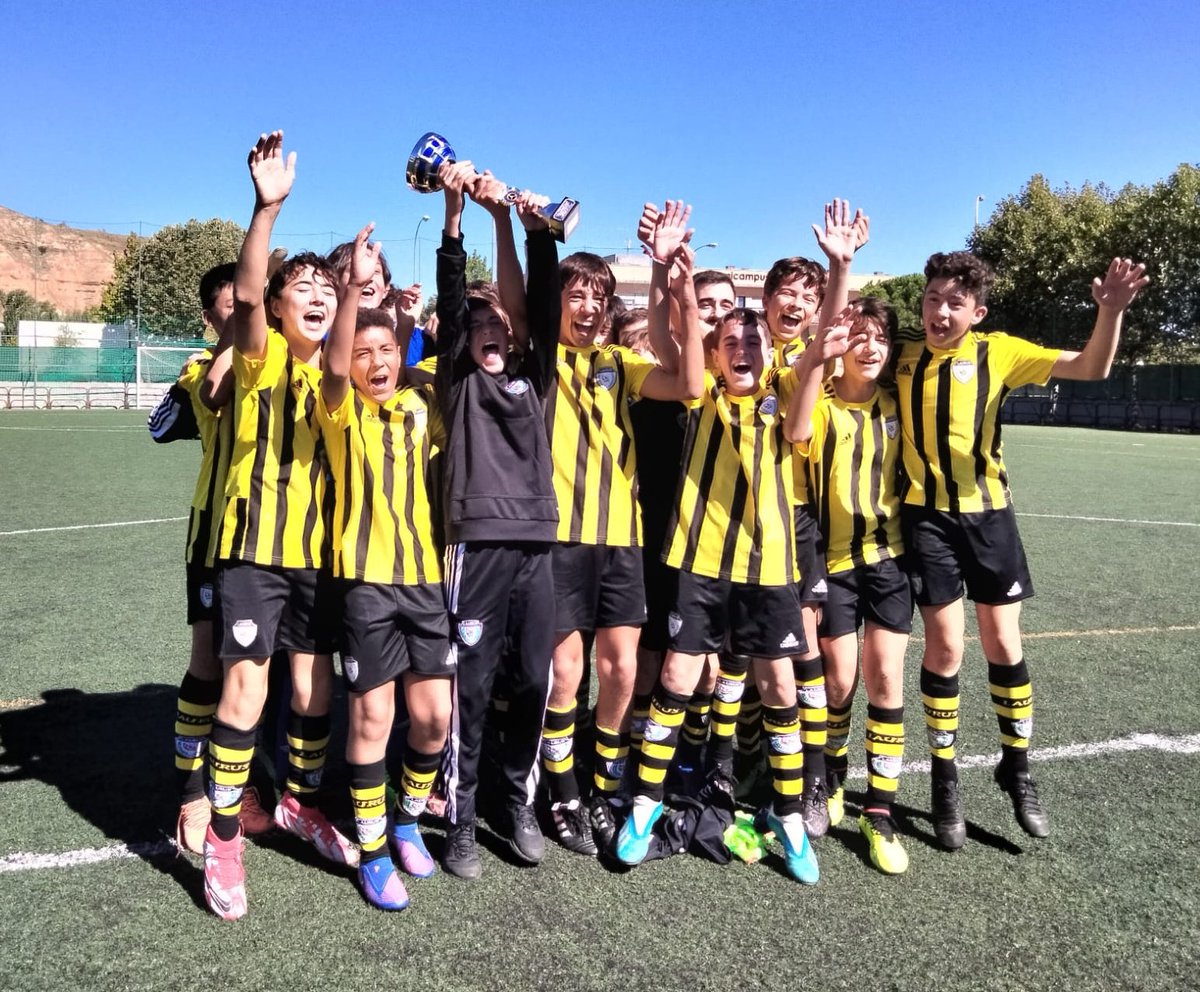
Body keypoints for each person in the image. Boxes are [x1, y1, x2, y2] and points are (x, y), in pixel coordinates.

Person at [896, 251, 1148, 848]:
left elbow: (1090, 367)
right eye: (933, 298)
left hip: (989, 518)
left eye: (955, 302)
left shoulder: (999, 351)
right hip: (925, 519)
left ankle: (1017, 765)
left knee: (1003, 642)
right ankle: (945, 776)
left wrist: (1108, 311)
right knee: (945, 645)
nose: (940, 310)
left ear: (976, 312)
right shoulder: (902, 354)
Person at [200, 131, 354, 921]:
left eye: (325, 288)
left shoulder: (340, 371)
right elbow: (250, 299)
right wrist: (266, 211)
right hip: (254, 552)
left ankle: (297, 801)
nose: (317, 294)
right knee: (247, 689)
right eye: (306, 287)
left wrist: (355, 287)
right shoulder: (258, 355)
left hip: (318, 559)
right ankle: (224, 834)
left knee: (311, 685)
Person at [615, 295, 816, 885]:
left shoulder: (786, 398)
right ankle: (645, 806)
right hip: (701, 560)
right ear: (716, 355)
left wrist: (840, 269)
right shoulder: (701, 396)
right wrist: (674, 285)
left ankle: (789, 815)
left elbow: (821, 341)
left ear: (770, 351)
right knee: (677, 678)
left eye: (752, 342)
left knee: (779, 682)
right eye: (730, 343)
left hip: (770, 564)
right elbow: (664, 333)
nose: (743, 351)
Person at [539, 201, 704, 856]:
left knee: (619, 670)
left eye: (597, 297)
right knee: (565, 673)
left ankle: (605, 783)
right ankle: (562, 791)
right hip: (557, 544)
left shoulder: (619, 363)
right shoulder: (537, 356)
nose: (586, 307)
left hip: (620, 543)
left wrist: (669, 276)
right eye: (575, 294)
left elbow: (690, 380)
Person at [317, 222, 454, 911]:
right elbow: (336, 367)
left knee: (433, 719)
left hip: (425, 581)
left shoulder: (420, 404)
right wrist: (348, 298)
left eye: (386, 350)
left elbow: (442, 353)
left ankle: (405, 820)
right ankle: (372, 854)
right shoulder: (340, 411)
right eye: (364, 351)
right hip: (366, 586)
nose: (376, 361)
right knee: (374, 718)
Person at [432, 164, 562, 879]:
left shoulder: (533, 375)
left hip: (537, 545)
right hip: (476, 545)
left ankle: (516, 802)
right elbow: (456, 301)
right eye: (477, 323)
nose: (488, 328)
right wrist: (454, 220)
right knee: (471, 684)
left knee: (535, 680)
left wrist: (505, 220)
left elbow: (535, 302)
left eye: (497, 324)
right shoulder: (457, 381)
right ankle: (459, 819)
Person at [785, 297, 912, 875]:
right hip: (832, 561)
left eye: (879, 337)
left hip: (888, 559)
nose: (870, 346)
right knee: (839, 681)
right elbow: (795, 428)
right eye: (859, 336)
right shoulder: (824, 407)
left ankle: (879, 811)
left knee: (885, 676)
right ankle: (831, 777)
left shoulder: (899, 406)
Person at [147, 263, 271, 854]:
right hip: (217, 532)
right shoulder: (203, 364)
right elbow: (178, 416)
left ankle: (241, 786)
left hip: (278, 538)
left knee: (259, 672)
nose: (244, 312)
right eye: (232, 305)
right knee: (209, 662)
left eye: (249, 302)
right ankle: (193, 794)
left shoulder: (278, 355)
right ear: (209, 317)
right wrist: (236, 331)